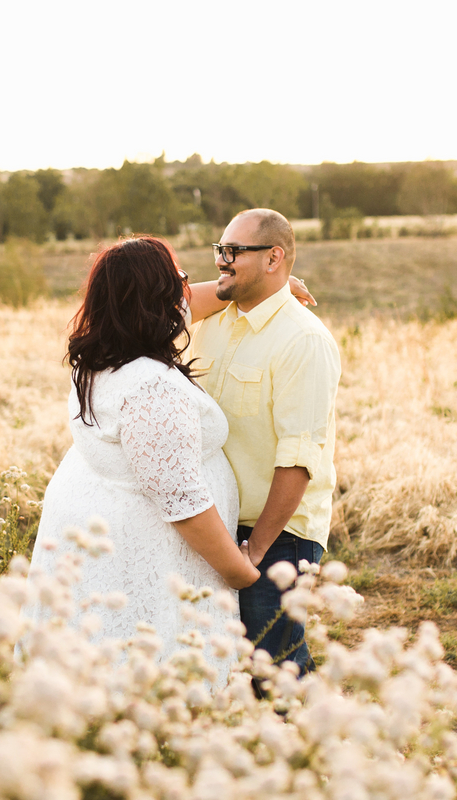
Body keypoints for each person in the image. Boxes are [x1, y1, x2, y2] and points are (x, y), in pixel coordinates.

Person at [28, 236, 259, 681]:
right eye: (180, 280)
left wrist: (270, 289)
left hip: (105, 540)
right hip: (152, 558)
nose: (188, 288)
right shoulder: (152, 388)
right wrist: (239, 573)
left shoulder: (103, 353)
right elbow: (185, 506)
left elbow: (197, 301)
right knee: (151, 672)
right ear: (158, 299)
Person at [190, 209, 341, 673]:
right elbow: (145, 302)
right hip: (216, 523)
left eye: (234, 251)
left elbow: (297, 458)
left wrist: (255, 549)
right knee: (218, 659)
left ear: (274, 257)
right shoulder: (214, 320)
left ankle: (312, 742)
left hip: (277, 534)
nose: (221, 260)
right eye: (220, 249)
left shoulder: (303, 340)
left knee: (272, 665)